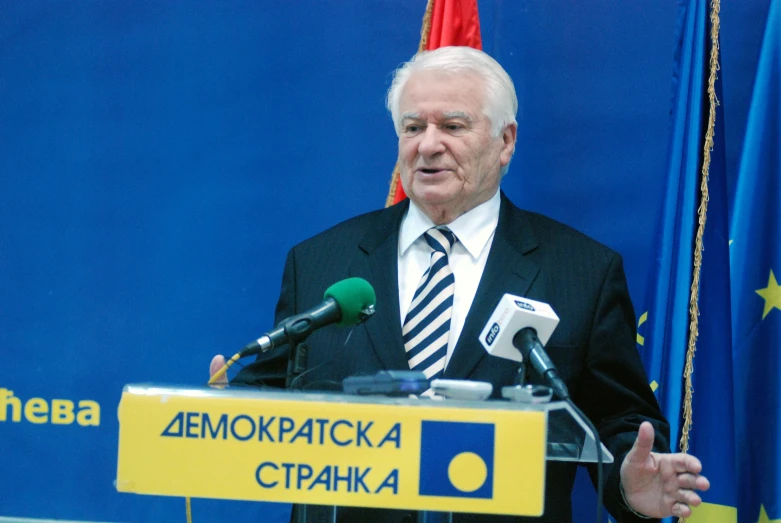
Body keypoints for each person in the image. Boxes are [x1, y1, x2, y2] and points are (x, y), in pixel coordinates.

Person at [211, 46, 709, 522]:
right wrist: (227, 415)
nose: (428, 145)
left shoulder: (580, 270)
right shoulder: (321, 261)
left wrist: (630, 485)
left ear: (506, 141)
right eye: (413, 127)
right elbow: (273, 397)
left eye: (452, 126)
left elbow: (618, 420)